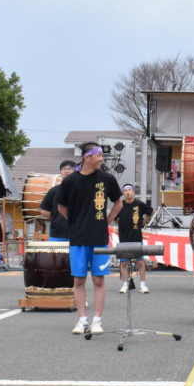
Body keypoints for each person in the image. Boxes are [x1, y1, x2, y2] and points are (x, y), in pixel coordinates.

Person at [58, 142, 123, 335]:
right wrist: (75, 222)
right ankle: (82, 320)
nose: (102, 159)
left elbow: (118, 203)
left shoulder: (107, 179)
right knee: (78, 280)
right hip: (78, 238)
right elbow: (61, 207)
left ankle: (97, 321)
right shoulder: (70, 181)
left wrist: (107, 221)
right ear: (87, 158)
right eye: (99, 156)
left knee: (98, 280)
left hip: (99, 237)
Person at [115, 183, 153, 293]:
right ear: (123, 193)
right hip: (124, 237)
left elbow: (150, 212)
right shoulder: (120, 205)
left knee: (140, 262)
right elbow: (114, 217)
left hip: (136, 237)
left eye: (129, 190)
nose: (127, 192)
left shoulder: (139, 204)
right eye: (125, 190)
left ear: (133, 192)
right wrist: (119, 224)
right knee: (123, 263)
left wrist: (143, 223)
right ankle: (125, 285)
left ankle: (143, 285)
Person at [38, 160, 77, 241]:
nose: (66, 171)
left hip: (77, 234)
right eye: (63, 169)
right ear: (60, 172)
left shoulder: (82, 190)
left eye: (70, 169)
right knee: (56, 254)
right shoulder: (54, 190)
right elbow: (44, 211)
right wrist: (55, 218)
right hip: (57, 234)